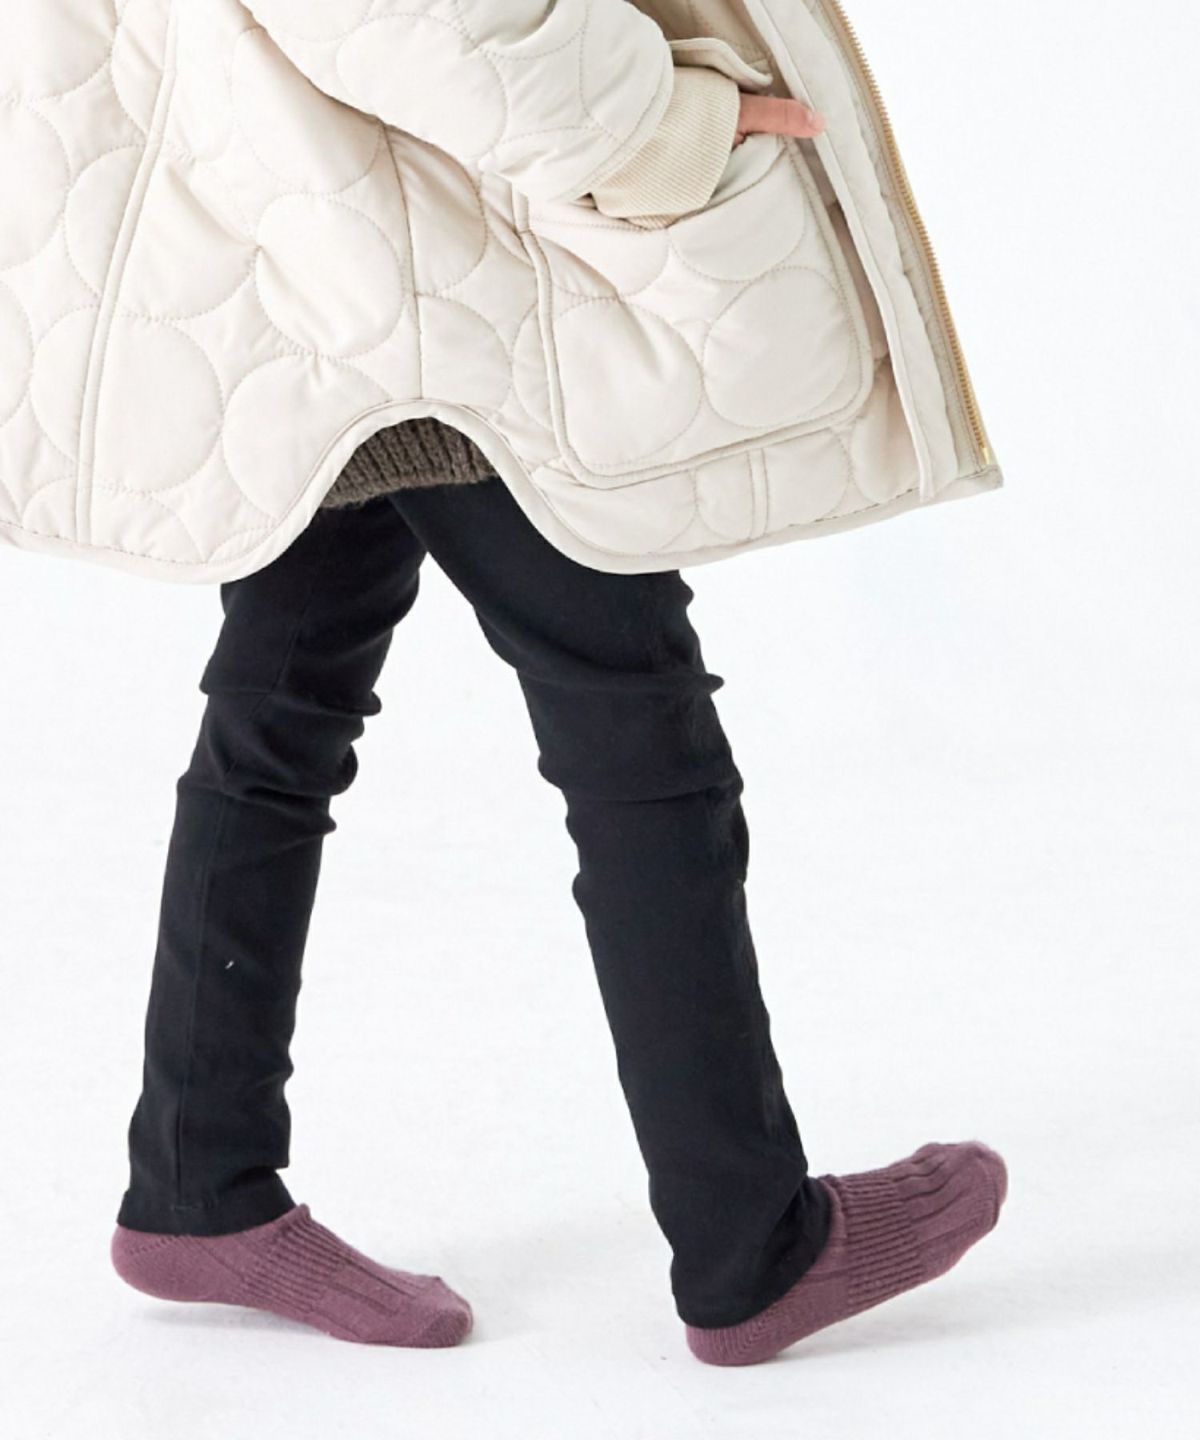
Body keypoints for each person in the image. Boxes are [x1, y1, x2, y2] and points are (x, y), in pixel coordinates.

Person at [107, 87, 1008, 1368]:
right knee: (635, 732)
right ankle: (751, 1246)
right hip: (431, 279)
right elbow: (442, 28)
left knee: (275, 721)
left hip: (304, 250)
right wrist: (665, 117)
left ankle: (196, 1186)